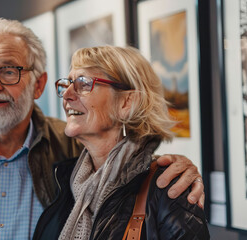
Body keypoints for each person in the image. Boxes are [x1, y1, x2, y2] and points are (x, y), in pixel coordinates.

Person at [0, 18, 205, 240]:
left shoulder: (71, 150)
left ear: (39, 84)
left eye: (8, 71)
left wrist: (180, 167)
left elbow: (132, 165)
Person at [33, 46, 209, 239]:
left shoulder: (170, 188)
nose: (67, 94)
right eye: (68, 83)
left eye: (83, 83)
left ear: (127, 102)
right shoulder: (64, 183)